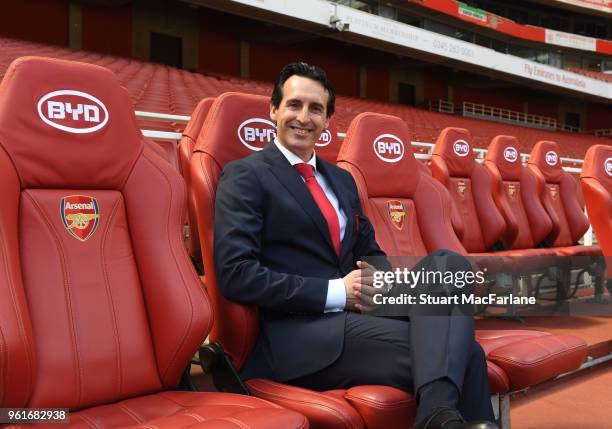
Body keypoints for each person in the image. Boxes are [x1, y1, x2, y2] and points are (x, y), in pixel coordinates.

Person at [214, 62, 498, 429]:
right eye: (294, 105)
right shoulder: (245, 175)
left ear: (328, 120)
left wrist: (376, 282)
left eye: (315, 109)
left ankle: (435, 414)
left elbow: (369, 250)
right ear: (274, 110)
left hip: (361, 314)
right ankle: (437, 415)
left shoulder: (342, 180)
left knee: (449, 265)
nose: (303, 117)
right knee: (466, 354)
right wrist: (338, 292)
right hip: (302, 335)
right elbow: (237, 275)